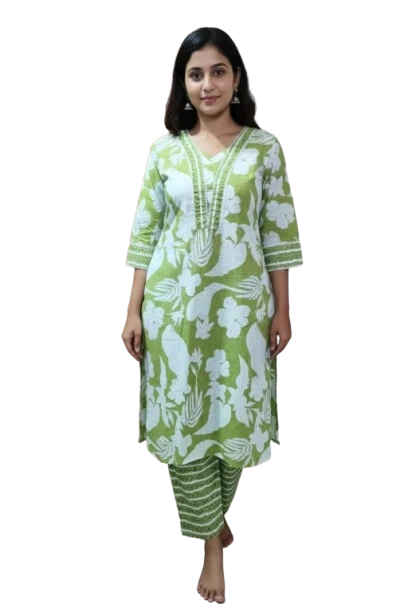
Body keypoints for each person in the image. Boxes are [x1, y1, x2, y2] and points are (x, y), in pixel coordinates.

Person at [121, 26, 304, 605]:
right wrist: (132, 310)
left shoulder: (264, 150)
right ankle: (211, 553)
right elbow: (145, 234)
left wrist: (283, 308)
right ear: (182, 83)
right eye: (195, 74)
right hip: (174, 315)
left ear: (237, 78)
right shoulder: (164, 152)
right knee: (185, 420)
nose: (208, 85)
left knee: (232, 420)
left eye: (218, 72)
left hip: (241, 317)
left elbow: (278, 233)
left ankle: (217, 520)